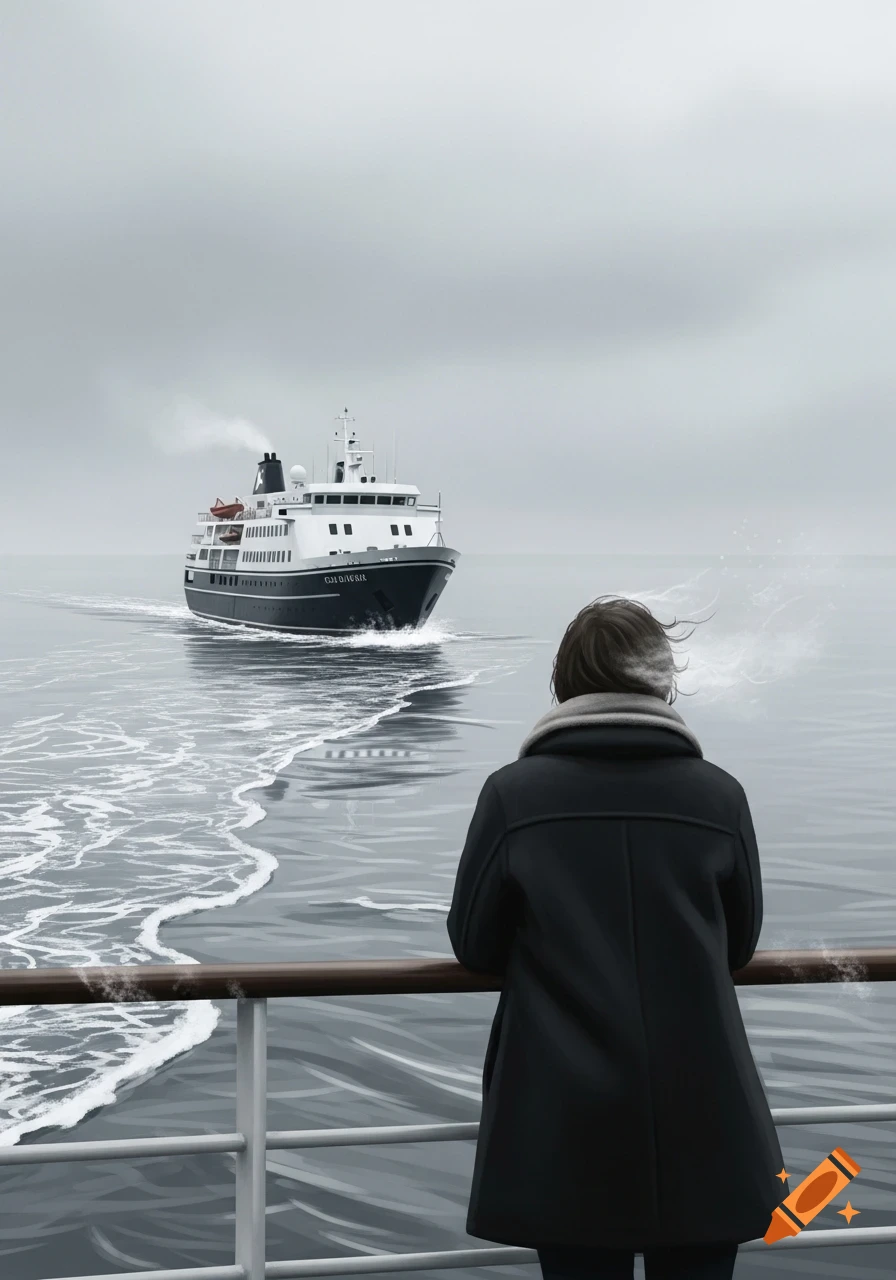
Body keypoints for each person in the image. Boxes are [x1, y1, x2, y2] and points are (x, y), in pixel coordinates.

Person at [447, 596, 784, 1280]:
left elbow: (474, 945)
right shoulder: (720, 797)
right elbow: (740, 945)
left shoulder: (514, 796)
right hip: (704, 1114)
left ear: (564, 683)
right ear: (662, 679)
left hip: (564, 1125)